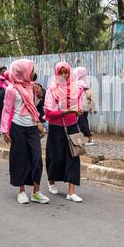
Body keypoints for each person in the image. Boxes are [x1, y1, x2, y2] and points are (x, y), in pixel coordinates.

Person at [0, 59, 49, 204]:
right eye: (30, 70)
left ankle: (36, 192)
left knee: (37, 159)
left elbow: (35, 106)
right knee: (20, 159)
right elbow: (7, 110)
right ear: (22, 72)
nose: (33, 73)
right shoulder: (11, 89)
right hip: (17, 127)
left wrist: (39, 120)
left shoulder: (33, 87)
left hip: (32, 127)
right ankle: (21, 191)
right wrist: (4, 130)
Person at [44, 62, 84, 203]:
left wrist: (78, 111)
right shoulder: (51, 90)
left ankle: (71, 192)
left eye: (65, 72)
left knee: (74, 156)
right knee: (55, 157)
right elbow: (48, 112)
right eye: (60, 72)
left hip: (72, 126)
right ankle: (51, 180)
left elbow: (79, 105)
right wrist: (67, 111)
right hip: (56, 127)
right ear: (56, 73)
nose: (63, 75)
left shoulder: (76, 88)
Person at [73, 67, 95, 146]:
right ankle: (84, 138)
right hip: (85, 105)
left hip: (79, 106)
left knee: (82, 122)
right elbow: (89, 95)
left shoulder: (77, 83)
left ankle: (90, 138)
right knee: (81, 121)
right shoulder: (86, 82)